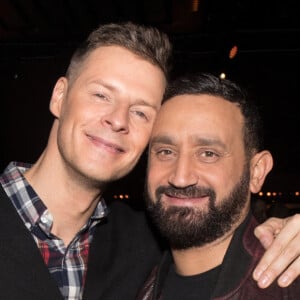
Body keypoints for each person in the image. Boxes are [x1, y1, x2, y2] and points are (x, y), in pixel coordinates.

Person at [0, 21, 299, 300]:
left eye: (141, 112)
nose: (118, 120)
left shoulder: (146, 240)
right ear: (59, 97)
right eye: (101, 95)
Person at [138, 73, 300, 299]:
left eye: (208, 154)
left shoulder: (289, 284)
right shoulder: (131, 274)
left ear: (256, 172)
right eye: (166, 152)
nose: (180, 177)